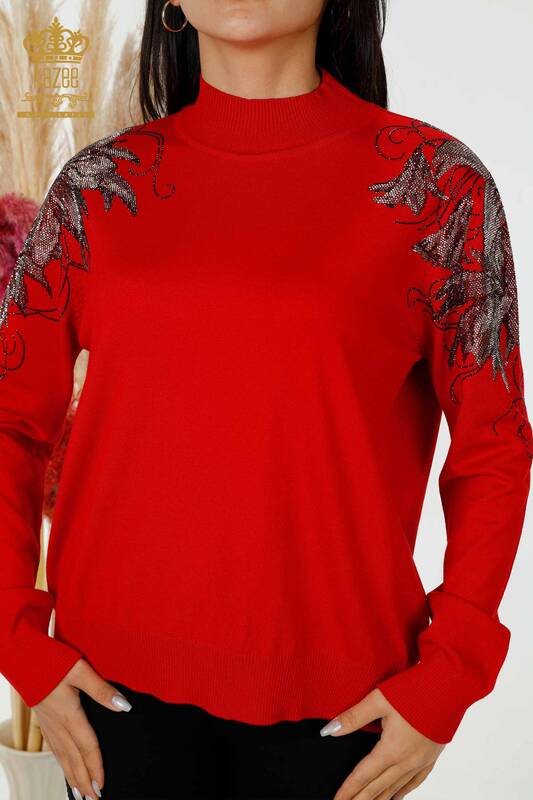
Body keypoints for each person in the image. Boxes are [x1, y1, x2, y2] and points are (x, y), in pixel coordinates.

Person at [0, 1, 531, 798]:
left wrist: (450, 673)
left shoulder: (435, 189)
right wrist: (17, 639)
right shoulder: (96, 188)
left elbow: (494, 445)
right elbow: (11, 421)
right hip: (109, 699)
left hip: (342, 711)